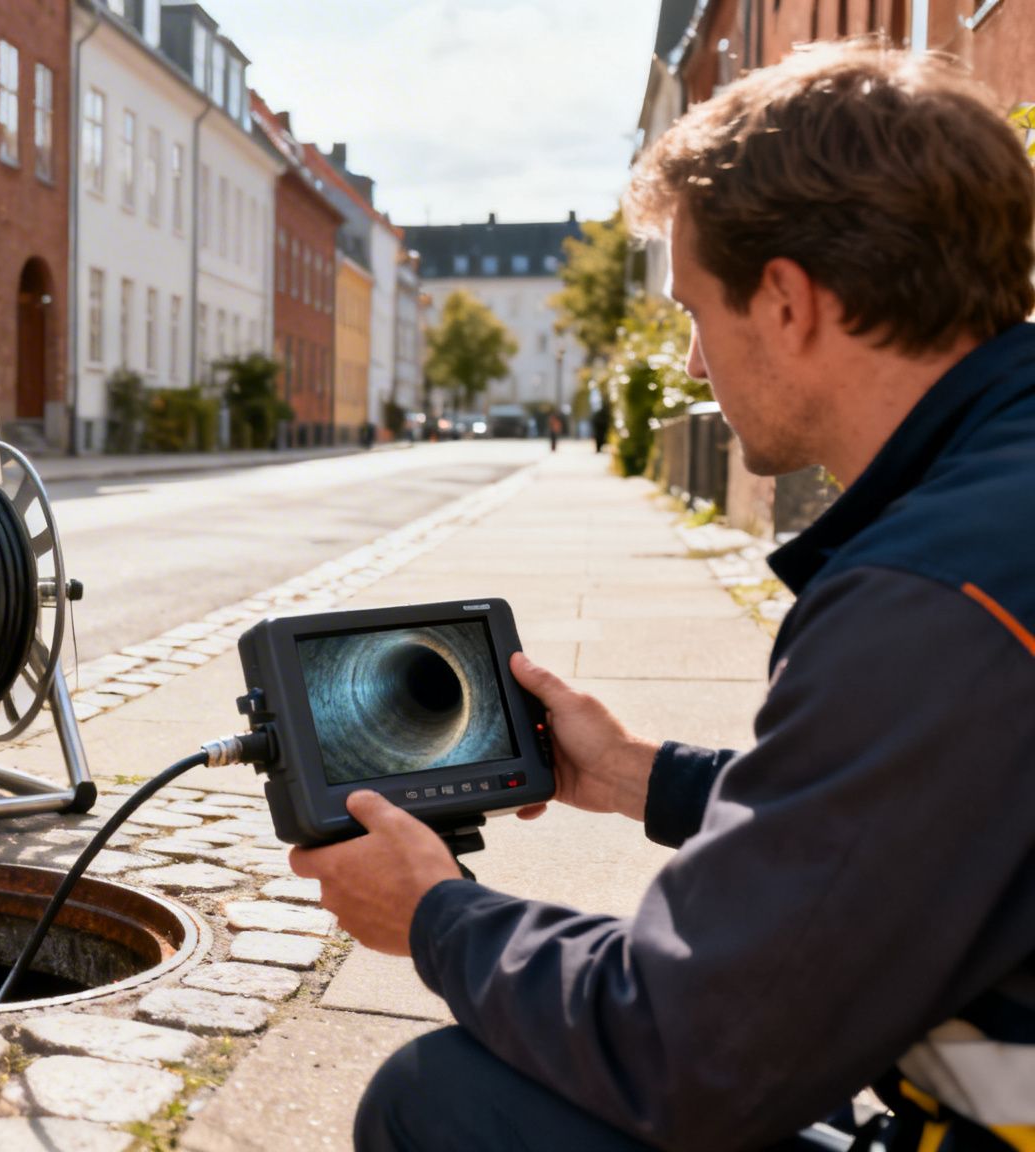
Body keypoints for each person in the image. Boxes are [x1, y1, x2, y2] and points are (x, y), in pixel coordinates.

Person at [291, 43, 1035, 1152]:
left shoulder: (929, 599)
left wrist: (437, 915)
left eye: (694, 310)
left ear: (784, 301)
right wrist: (645, 778)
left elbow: (687, 1048)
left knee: (446, 1101)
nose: (688, 361)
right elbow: (932, 808)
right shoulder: (993, 513)